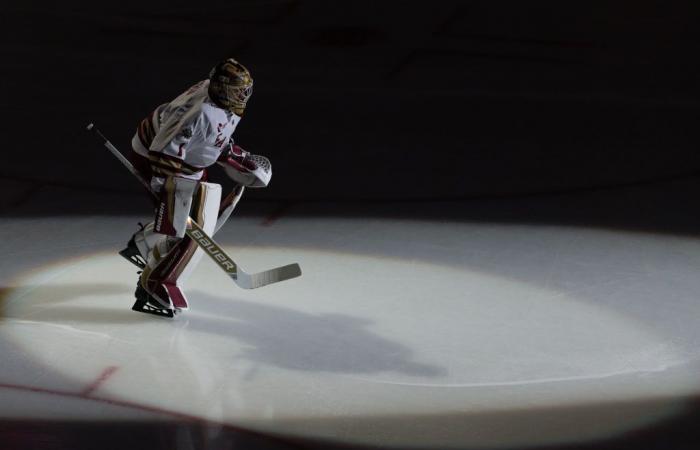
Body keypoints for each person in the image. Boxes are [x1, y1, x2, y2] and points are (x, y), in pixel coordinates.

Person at [120, 58, 271, 317]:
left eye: (244, 91)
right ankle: (153, 285)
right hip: (160, 161)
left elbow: (209, 133)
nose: (242, 96)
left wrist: (227, 153)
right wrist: (166, 188)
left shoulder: (214, 95)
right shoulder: (195, 113)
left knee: (196, 220)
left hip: (186, 161)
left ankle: (145, 244)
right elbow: (162, 150)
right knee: (186, 225)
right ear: (222, 88)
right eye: (237, 91)